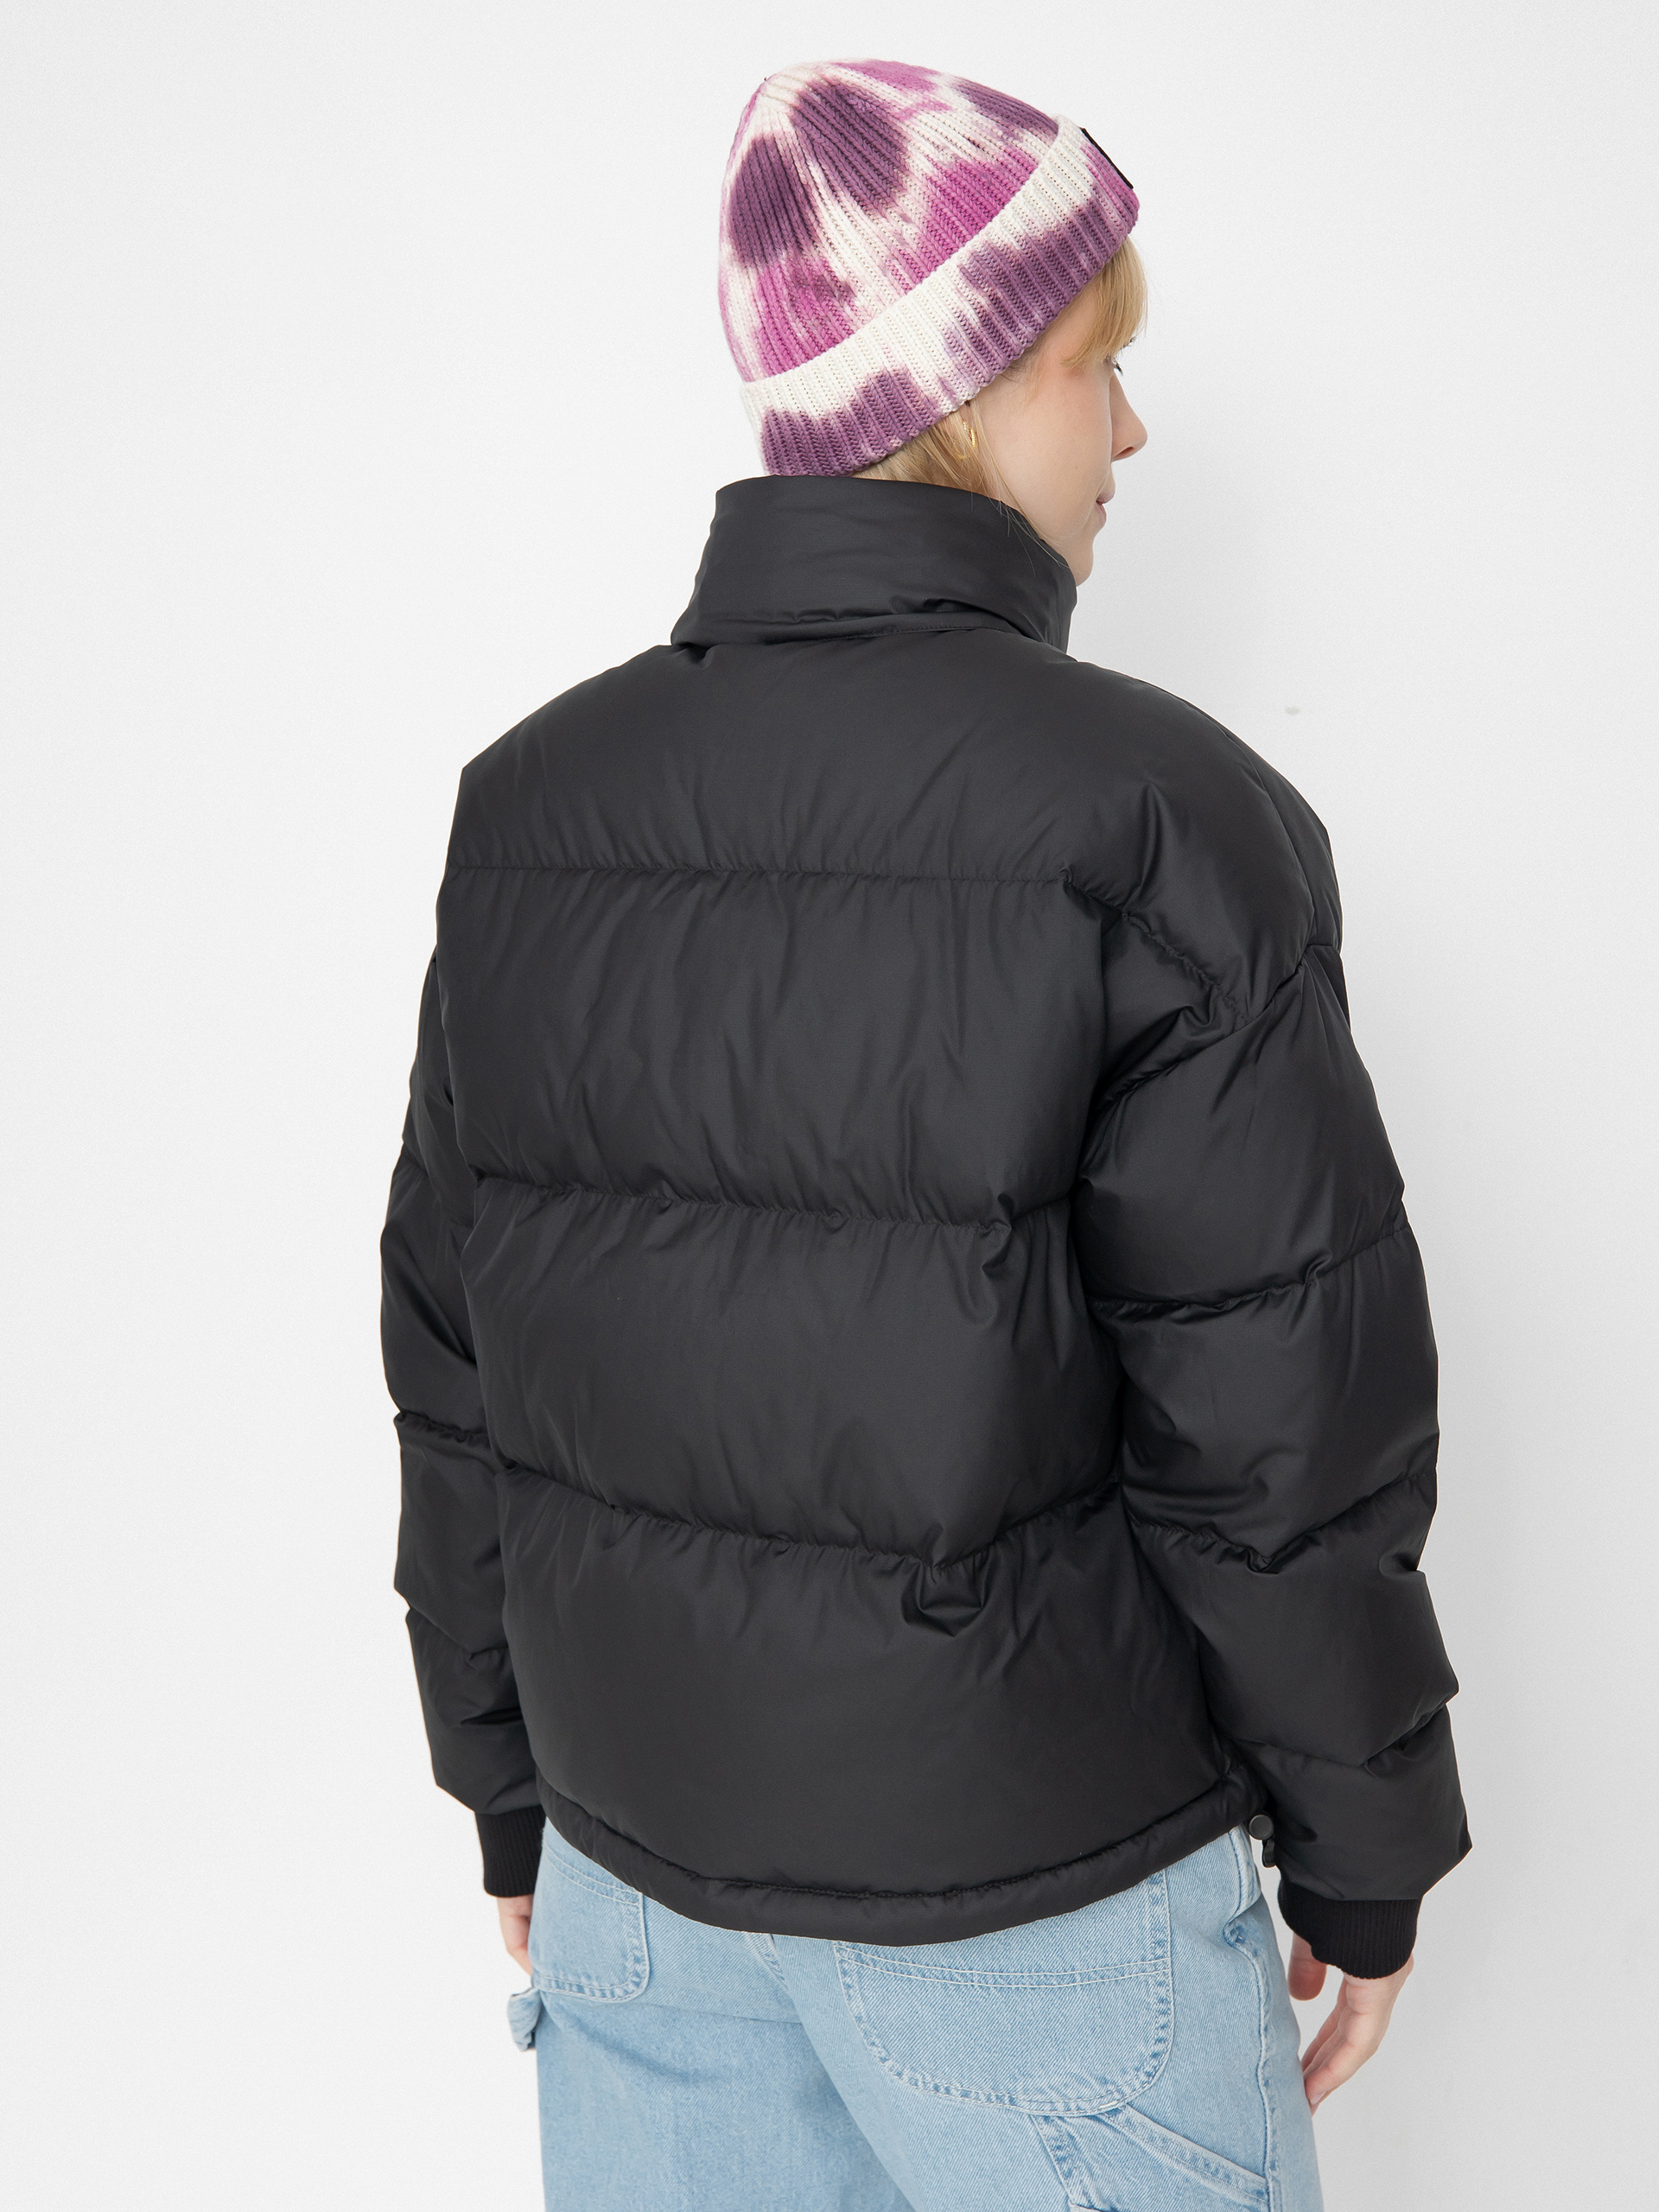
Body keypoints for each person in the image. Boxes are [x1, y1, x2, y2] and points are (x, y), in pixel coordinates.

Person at [380, 58, 1468, 2212]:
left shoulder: (535, 808)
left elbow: (456, 1360)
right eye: (1095, 364)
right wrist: (1367, 1838)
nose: (1129, 431)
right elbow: (1275, 1415)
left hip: (637, 1884)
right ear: (968, 387)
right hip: (1038, 1912)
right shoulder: (1160, 816)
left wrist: (505, 1782)